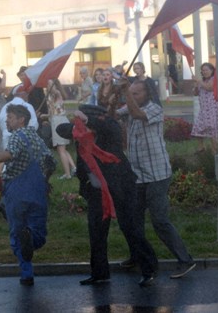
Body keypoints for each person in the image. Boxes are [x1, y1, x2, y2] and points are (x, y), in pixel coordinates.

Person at [56, 105, 158, 287]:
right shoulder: (80, 133)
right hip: (96, 191)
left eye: (84, 121)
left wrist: (89, 122)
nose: (81, 126)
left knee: (131, 228)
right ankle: (100, 273)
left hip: (121, 188)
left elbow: (110, 127)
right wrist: (79, 126)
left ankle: (149, 269)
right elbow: (60, 130)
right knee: (96, 232)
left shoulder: (109, 129)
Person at [0, 104, 54, 286]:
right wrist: (45, 180)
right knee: (37, 231)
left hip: (17, 190)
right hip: (38, 191)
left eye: (10, 117)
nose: (7, 120)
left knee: (17, 231)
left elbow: (9, 154)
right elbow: (51, 161)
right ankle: (30, 238)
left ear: (21, 120)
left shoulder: (16, 136)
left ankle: (26, 272)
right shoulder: (36, 137)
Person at [119, 79, 196, 279]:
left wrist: (125, 91)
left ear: (147, 94)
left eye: (137, 93)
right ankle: (138, 256)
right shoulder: (129, 107)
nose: (133, 96)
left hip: (157, 175)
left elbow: (136, 113)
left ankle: (185, 260)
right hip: (138, 176)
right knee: (132, 221)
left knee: (160, 221)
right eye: (132, 93)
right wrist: (111, 93)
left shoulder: (154, 109)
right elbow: (111, 114)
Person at [40, 78, 75, 180]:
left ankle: (67, 174)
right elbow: (53, 112)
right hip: (55, 120)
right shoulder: (49, 96)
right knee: (62, 148)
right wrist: (44, 116)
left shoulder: (57, 93)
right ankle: (73, 167)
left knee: (61, 149)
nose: (48, 86)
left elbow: (56, 92)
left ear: (55, 85)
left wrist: (53, 87)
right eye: (47, 84)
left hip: (60, 121)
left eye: (50, 84)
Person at [191, 62, 218, 154]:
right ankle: (201, 148)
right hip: (203, 110)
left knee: (212, 130)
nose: (204, 72)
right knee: (198, 128)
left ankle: (215, 151)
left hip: (212, 109)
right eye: (203, 70)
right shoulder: (202, 81)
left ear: (212, 70)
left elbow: (209, 88)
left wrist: (199, 81)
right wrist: (195, 86)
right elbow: (196, 94)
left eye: (206, 70)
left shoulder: (214, 79)